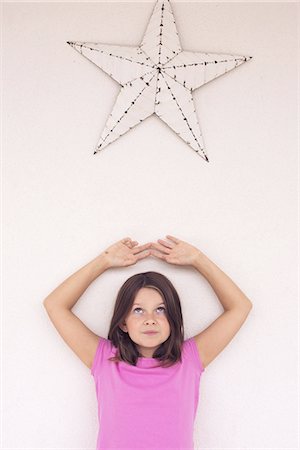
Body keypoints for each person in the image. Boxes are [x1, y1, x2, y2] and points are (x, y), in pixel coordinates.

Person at [43, 235, 253, 449]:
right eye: (138, 310)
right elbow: (55, 305)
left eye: (160, 310)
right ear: (123, 323)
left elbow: (240, 307)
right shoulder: (105, 359)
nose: (150, 319)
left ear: (173, 319)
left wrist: (198, 259)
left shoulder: (189, 359)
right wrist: (104, 261)